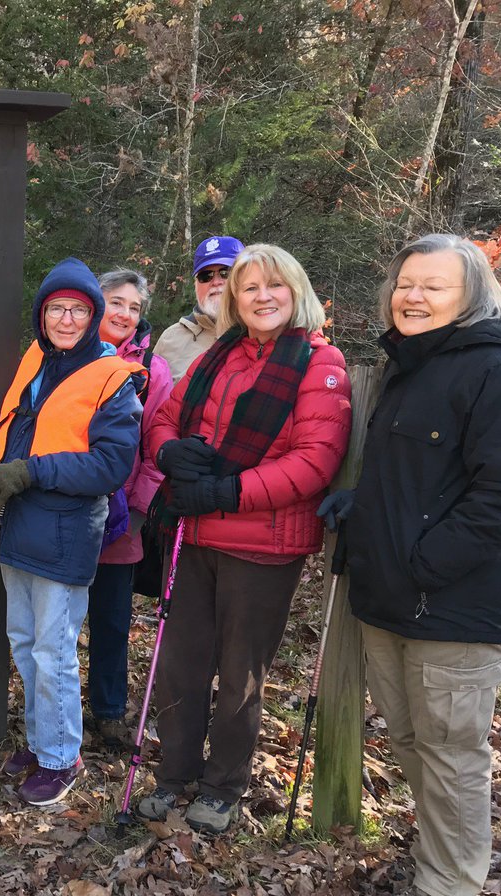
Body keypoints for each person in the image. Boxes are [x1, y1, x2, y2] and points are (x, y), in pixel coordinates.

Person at [319, 234, 501, 896]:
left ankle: (449, 884)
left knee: (452, 758)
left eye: (433, 286)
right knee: (412, 743)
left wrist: (424, 563)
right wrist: (360, 505)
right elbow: (419, 479)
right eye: (406, 283)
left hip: (448, 606)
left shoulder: (496, 371)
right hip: (386, 598)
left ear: (470, 297)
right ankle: (440, 859)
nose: (413, 296)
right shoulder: (412, 365)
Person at [140, 243, 351, 833]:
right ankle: (173, 774)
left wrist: (228, 493)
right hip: (192, 532)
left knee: (239, 674)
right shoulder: (219, 356)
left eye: (274, 285)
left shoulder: (319, 363)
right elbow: (162, 417)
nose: (262, 297)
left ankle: (222, 785)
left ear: (296, 291)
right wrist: (166, 450)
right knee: (180, 664)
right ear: (233, 297)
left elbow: (315, 460)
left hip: (263, 545)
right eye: (249, 287)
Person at [0, 257, 144, 806]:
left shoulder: (113, 378)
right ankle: (42, 744)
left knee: (53, 649)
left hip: (63, 533)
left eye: (78, 309)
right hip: (14, 525)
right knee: (23, 641)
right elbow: (10, 432)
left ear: (93, 315)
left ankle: (62, 758)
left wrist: (32, 473)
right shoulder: (36, 360)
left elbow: (111, 466)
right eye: (56, 308)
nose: (66, 319)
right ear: (42, 315)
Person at [85, 268, 173, 748]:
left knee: (113, 620)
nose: (124, 313)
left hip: (121, 520)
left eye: (134, 307)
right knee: (55, 620)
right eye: (116, 302)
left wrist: (136, 514)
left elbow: (155, 448)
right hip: (63, 514)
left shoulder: (152, 369)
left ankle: (109, 710)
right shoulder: (66, 354)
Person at [154, 235, 245, 383]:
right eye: (205, 276)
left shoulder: (262, 334)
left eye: (225, 272)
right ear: (196, 284)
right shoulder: (170, 339)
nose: (216, 282)